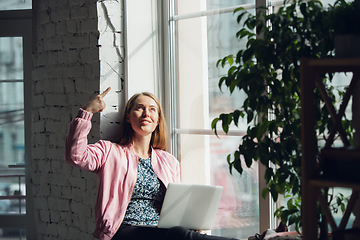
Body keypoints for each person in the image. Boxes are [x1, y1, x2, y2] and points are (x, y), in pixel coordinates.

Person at [65, 87, 238, 240]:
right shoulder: (110, 151)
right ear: (128, 117)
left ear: (157, 120)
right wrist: (86, 113)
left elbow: (175, 205)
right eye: (139, 108)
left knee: (181, 233)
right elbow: (76, 156)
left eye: (152, 109)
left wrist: (191, 222)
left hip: (160, 230)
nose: (146, 113)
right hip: (124, 230)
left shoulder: (168, 161)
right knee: (176, 234)